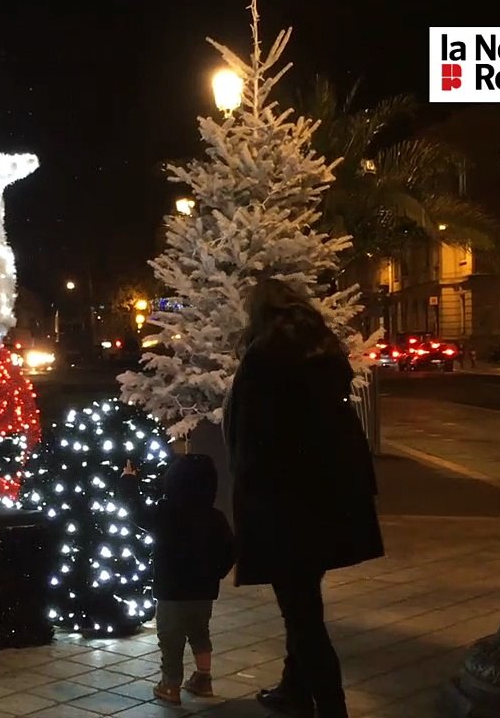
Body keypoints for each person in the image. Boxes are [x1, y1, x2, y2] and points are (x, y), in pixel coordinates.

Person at [224, 279, 384, 718]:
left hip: (283, 506)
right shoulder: (319, 352)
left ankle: (331, 708)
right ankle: (294, 688)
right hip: (324, 503)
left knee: (303, 616)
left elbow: (257, 439)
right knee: (302, 600)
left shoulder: (265, 358)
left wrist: (249, 493)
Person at [125, 455, 235, 705]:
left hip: (171, 593)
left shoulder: (165, 512)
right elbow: (230, 550)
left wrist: (129, 483)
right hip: (203, 592)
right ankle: (203, 679)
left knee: (171, 639)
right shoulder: (215, 517)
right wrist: (215, 573)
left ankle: (170, 684)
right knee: (200, 634)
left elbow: (138, 514)